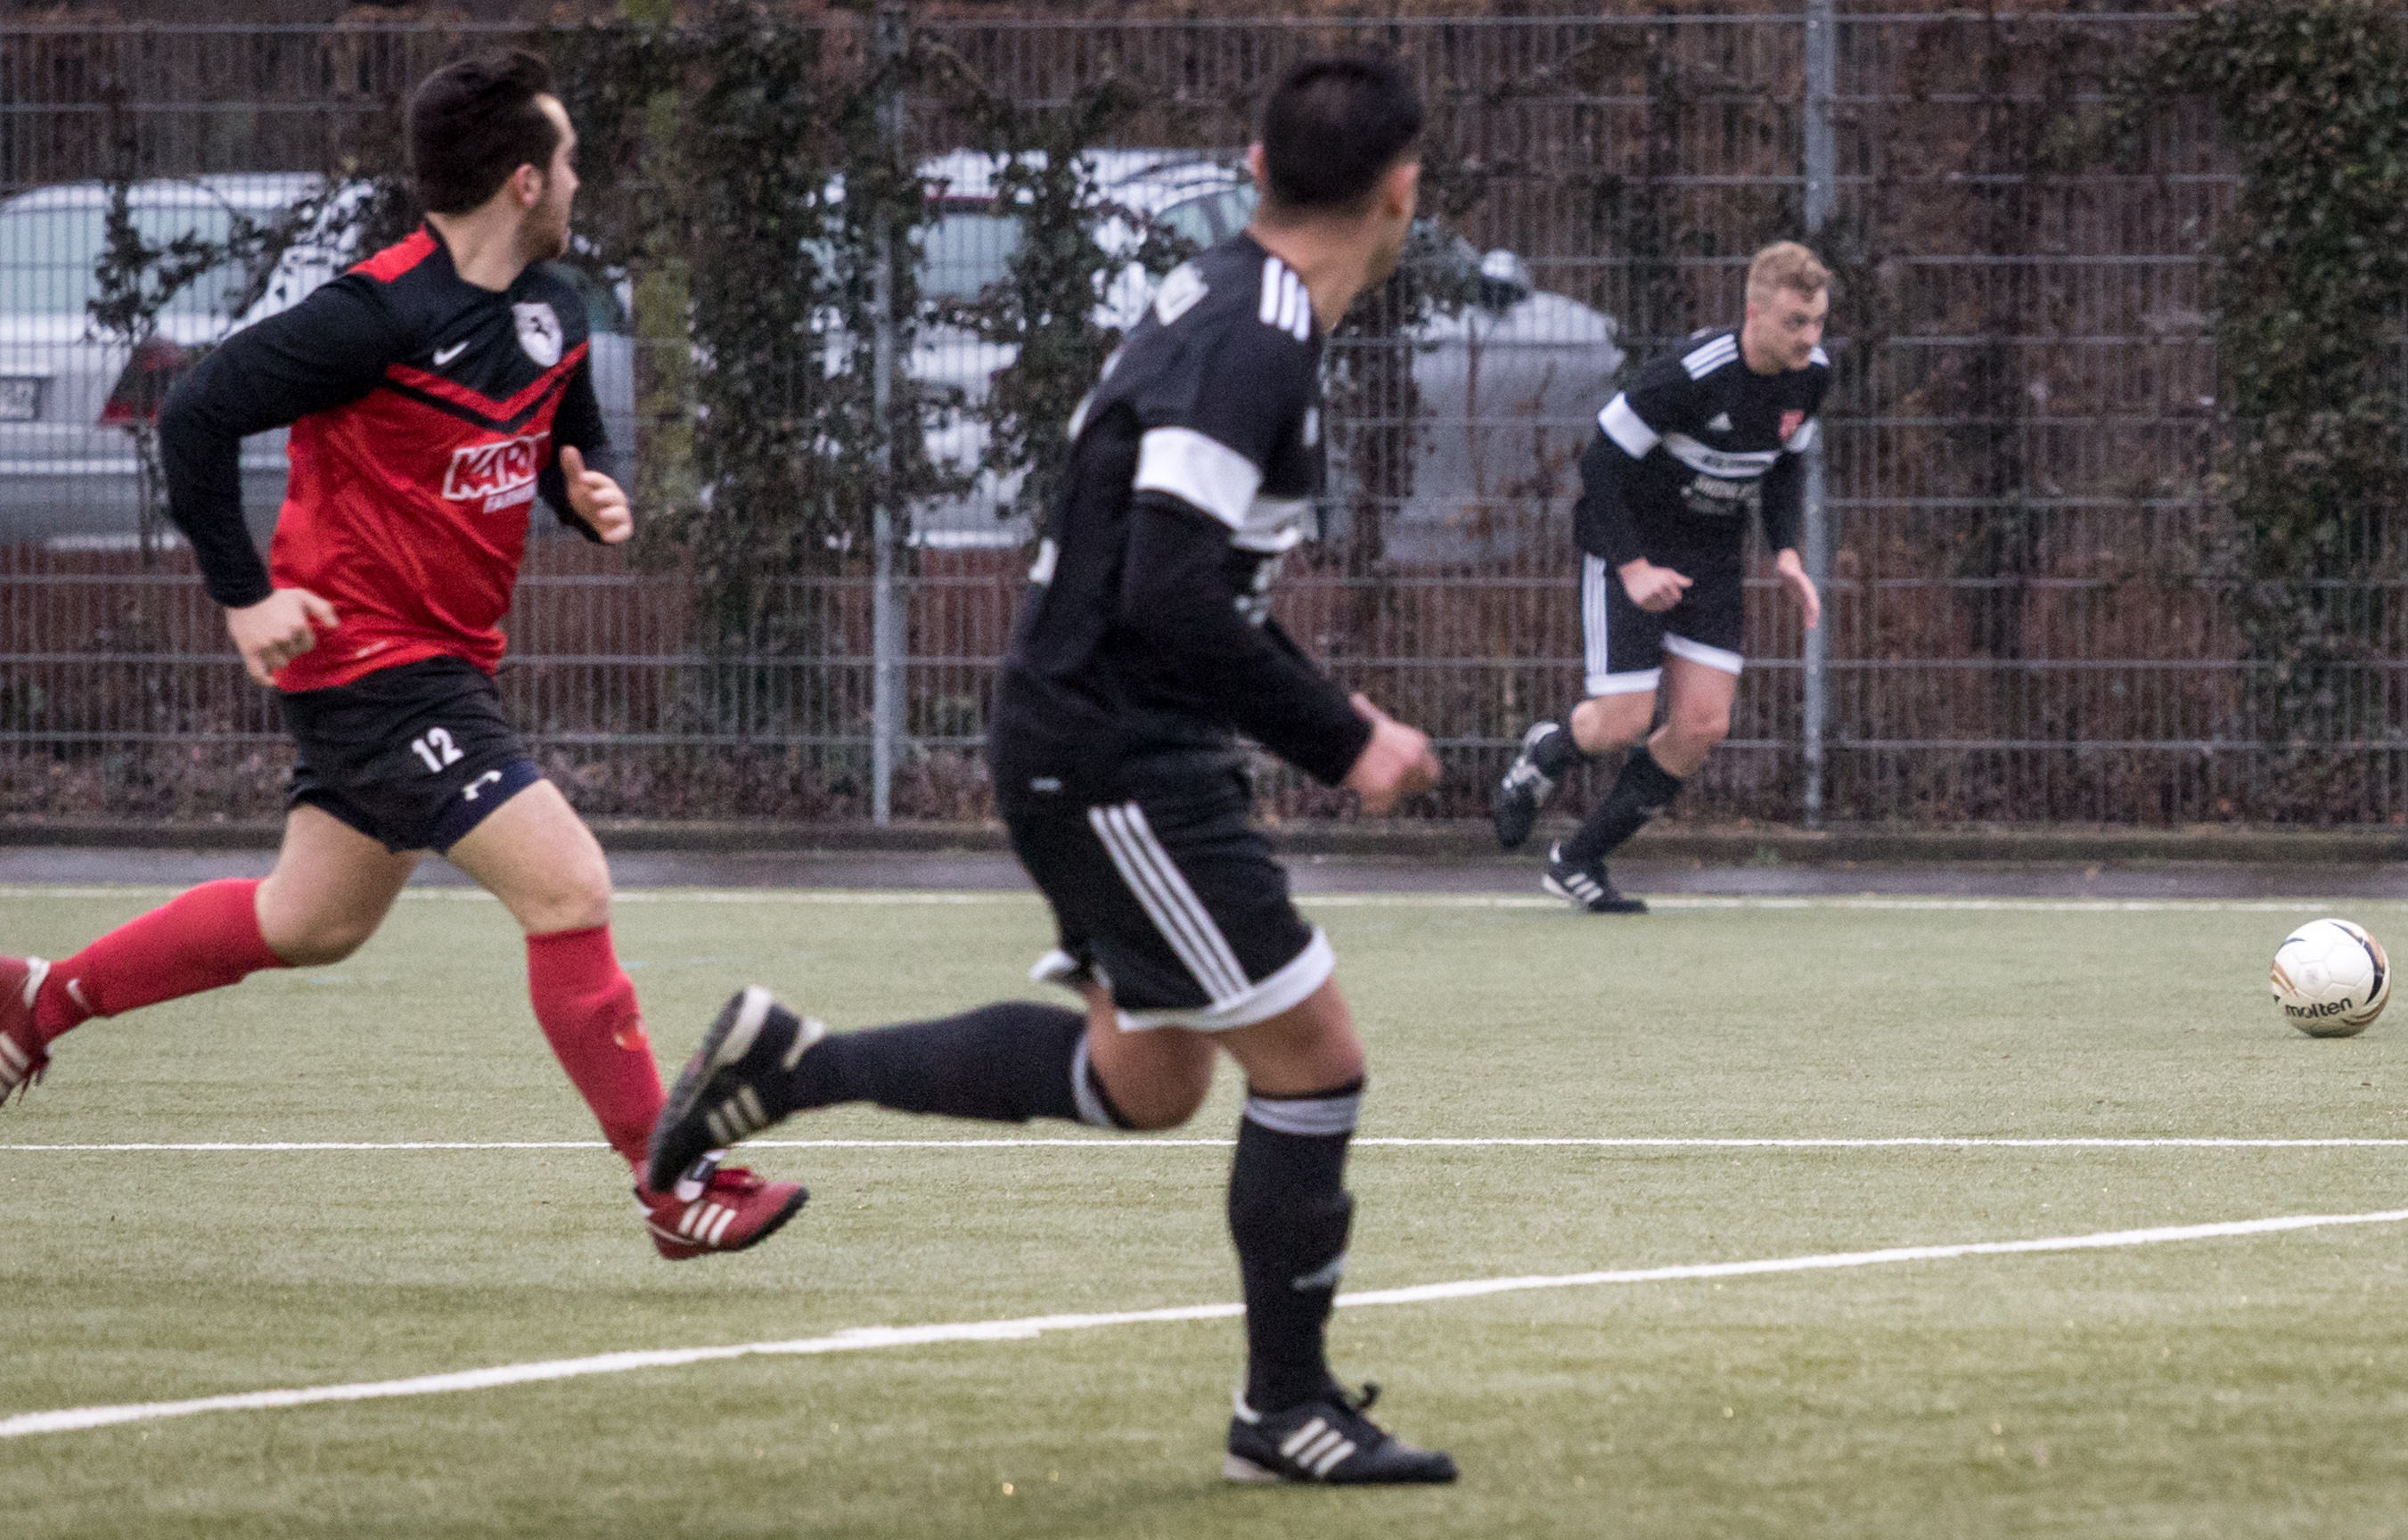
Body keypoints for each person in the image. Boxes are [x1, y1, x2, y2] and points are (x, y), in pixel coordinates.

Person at [640, 57, 1456, 1487]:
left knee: (1147, 1081)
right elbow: (1169, 595)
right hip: (1118, 752)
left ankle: (795, 1065)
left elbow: (1182, 580)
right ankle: (1284, 1412)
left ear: (1254, 166)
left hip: (1091, 734)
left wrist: (1311, 705)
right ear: (1403, 188)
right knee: (1315, 1063)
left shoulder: (1231, 301)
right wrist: (1342, 741)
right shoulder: (1254, 335)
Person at [0, 51, 807, 1257]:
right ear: (525, 180)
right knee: (569, 887)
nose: (580, 179)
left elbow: (561, 437)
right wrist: (244, 597)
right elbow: (198, 413)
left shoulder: (553, 308)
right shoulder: (373, 315)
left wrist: (584, 491)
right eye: (570, 159)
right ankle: (673, 1188)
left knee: (311, 920)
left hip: (443, 662)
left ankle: (41, 997)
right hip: (371, 663)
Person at [1487, 242, 1831, 912]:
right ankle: (1547, 752)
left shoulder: (1811, 376)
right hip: (1632, 544)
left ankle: (1579, 860)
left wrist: (1786, 552)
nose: (1809, 337)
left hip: (1712, 558)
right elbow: (1599, 465)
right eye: (1795, 321)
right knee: (1622, 723)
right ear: (1754, 313)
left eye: (1818, 321)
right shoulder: (1688, 375)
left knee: (1702, 726)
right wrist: (1635, 568)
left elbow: (1786, 464)